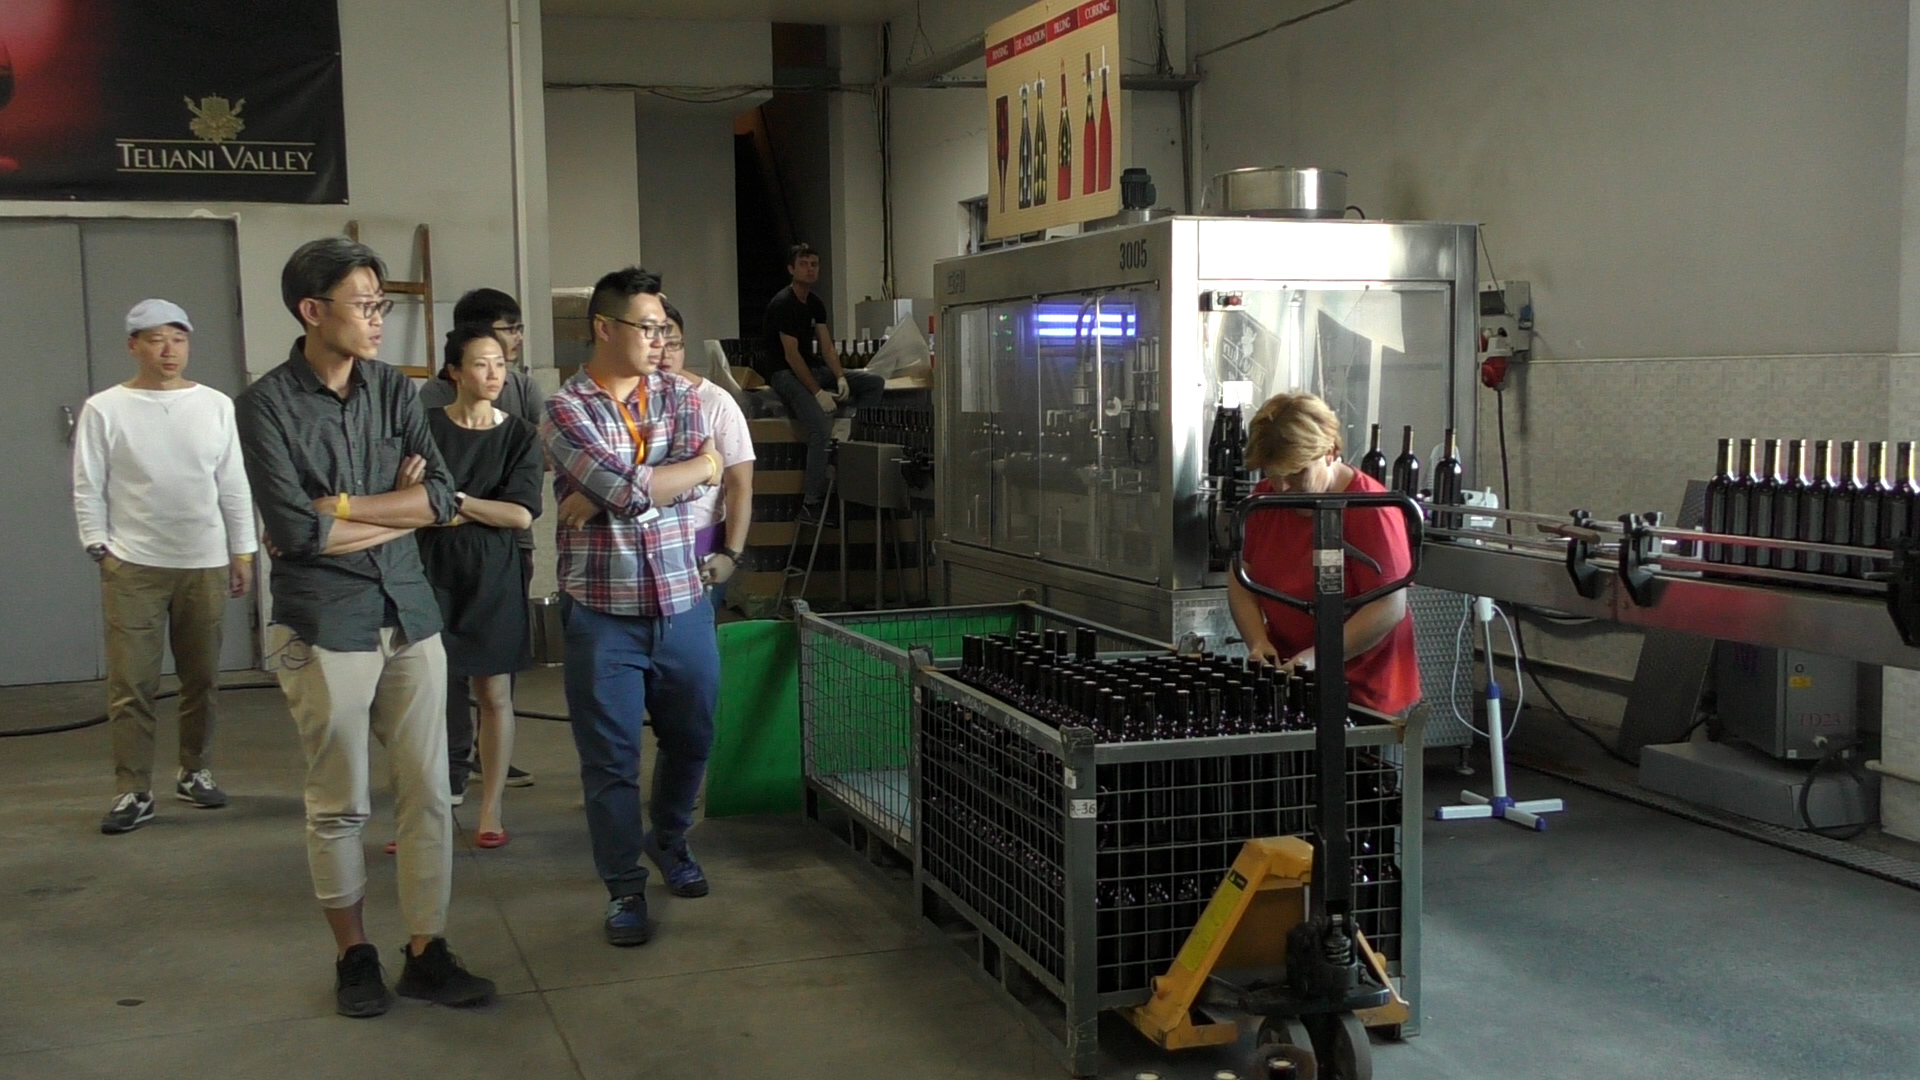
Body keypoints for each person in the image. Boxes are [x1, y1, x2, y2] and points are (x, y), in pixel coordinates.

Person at [236, 237, 494, 1018]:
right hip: (325, 622)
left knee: (429, 794)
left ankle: (426, 951)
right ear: (313, 311)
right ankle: (354, 956)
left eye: (383, 304)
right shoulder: (266, 405)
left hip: (410, 614)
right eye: (365, 305)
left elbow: (441, 499)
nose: (380, 319)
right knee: (340, 801)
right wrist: (394, 511)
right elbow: (294, 532)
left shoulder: (393, 388)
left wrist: (344, 509)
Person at [542, 266, 721, 947]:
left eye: (663, 329)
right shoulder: (566, 409)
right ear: (603, 328)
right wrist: (688, 470)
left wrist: (649, 483)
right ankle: (623, 887)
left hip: (682, 601)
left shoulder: (681, 394)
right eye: (646, 328)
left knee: (693, 738)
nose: (658, 340)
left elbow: (659, 485)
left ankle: (669, 837)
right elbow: (631, 490)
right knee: (611, 761)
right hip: (601, 613)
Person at [72, 299, 256, 835]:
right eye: (155, 340)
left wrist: (243, 550)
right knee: (132, 682)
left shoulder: (215, 405)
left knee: (202, 677)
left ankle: (195, 770)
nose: (168, 350)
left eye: (178, 339)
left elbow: (232, 482)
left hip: (204, 561)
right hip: (134, 564)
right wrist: (98, 546)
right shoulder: (105, 409)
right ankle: (133, 789)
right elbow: (88, 483)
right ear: (134, 346)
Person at [418, 326, 544, 849]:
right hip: (427, 568)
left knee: (493, 694)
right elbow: (406, 495)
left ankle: (490, 809)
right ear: (454, 372)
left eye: (500, 364)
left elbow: (519, 514)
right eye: (480, 363)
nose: (494, 374)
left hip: (493, 573)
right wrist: (466, 506)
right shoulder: (425, 426)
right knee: (425, 695)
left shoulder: (519, 435)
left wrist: (452, 501)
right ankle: (426, 810)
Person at [1226, 392, 1421, 717]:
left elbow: (1388, 608)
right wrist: (1258, 641)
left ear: (1330, 453)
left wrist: (1319, 655)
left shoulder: (1372, 509)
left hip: (1365, 694)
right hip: (1294, 684)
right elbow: (1240, 581)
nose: (1282, 487)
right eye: (1273, 474)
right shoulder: (1264, 502)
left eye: (1296, 472)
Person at [758, 243, 884, 525]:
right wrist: (816, 393)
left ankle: (853, 436)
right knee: (820, 427)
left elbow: (826, 346)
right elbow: (791, 356)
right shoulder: (783, 304)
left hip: (813, 367)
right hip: (784, 372)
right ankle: (811, 503)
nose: (810, 269)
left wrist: (840, 376)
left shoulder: (815, 303)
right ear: (791, 269)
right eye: (804, 264)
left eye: (814, 264)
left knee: (874, 383)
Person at [658, 298, 754, 607]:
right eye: (655, 343)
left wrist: (731, 555)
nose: (664, 354)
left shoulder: (715, 402)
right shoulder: (624, 403)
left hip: (700, 554)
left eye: (673, 344)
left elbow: (739, 485)